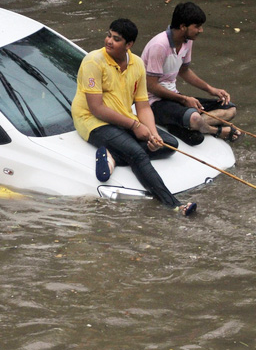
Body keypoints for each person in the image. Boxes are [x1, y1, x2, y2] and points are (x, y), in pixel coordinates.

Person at [71, 18, 197, 216]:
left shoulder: (137, 64)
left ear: (129, 44)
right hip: (92, 121)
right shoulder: (93, 61)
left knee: (168, 144)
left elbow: (143, 106)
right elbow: (96, 108)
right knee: (137, 154)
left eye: (116, 39)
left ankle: (114, 156)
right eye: (109, 36)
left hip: (122, 117)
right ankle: (174, 205)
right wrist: (134, 126)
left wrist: (153, 134)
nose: (109, 41)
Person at [140, 2, 242, 146]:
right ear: (183, 26)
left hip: (173, 95)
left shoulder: (187, 41)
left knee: (230, 109)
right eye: (197, 26)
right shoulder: (160, 46)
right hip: (153, 102)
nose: (201, 30)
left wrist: (211, 89)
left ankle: (185, 125)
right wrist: (184, 99)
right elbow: (151, 86)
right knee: (194, 119)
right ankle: (216, 131)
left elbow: (184, 71)